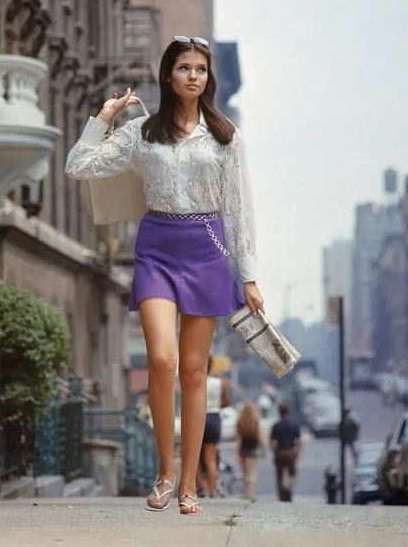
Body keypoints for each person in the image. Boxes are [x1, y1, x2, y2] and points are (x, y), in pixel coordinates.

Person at [64, 36, 263, 516]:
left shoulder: (224, 135)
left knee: (194, 374)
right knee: (160, 359)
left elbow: (238, 209)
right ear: (168, 76)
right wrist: (105, 118)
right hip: (155, 249)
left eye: (200, 69)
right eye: (183, 68)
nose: (193, 75)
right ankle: (165, 473)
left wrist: (250, 275)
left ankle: (191, 484)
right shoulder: (141, 133)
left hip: (207, 249)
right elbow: (78, 166)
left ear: (207, 77)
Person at [195, 356, 230, 497]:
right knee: (211, 458)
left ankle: (201, 487)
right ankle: (212, 490)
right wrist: (215, 405)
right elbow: (226, 402)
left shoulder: (196, 381)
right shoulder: (220, 383)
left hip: (198, 418)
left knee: (195, 457)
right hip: (214, 418)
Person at [270, 403, 301, 502]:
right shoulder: (294, 425)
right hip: (290, 452)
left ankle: (281, 494)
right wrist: (297, 451)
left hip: (280, 452)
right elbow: (299, 440)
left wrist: (275, 452)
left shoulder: (276, 426)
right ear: (288, 412)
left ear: (279, 412)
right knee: (292, 474)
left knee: (279, 475)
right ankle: (289, 489)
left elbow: (272, 442)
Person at [235, 402, 262, 499]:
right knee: (252, 472)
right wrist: (262, 448)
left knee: (244, 473)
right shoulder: (255, 421)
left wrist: (237, 453)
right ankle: (251, 493)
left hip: (243, 450)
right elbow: (259, 436)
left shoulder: (240, 422)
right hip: (253, 450)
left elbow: (239, 439)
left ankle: (245, 493)